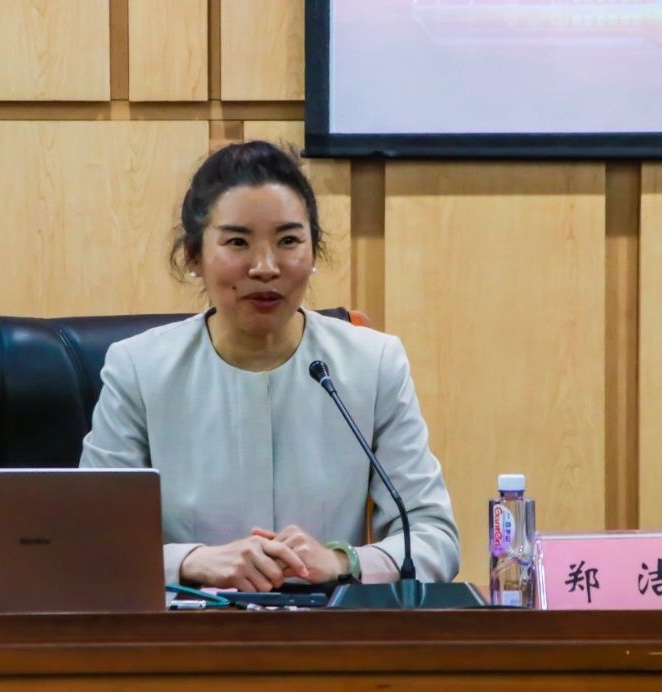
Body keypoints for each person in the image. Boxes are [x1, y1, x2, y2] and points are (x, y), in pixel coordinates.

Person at [80, 141, 459, 591]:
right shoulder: (139, 370)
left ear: (313, 253)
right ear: (194, 257)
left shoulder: (371, 365)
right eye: (238, 242)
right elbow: (90, 544)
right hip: (190, 628)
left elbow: (434, 538)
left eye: (288, 241)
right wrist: (192, 561)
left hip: (325, 629)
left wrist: (343, 560)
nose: (265, 267)